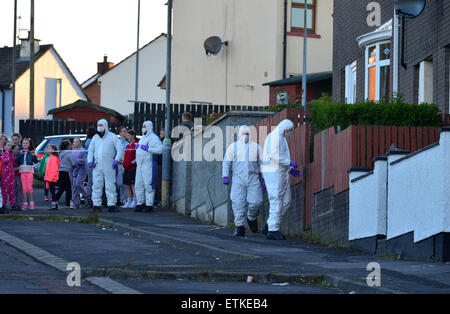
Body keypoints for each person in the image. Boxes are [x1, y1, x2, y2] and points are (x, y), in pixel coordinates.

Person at [261, 119, 301, 240]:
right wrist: (289, 163)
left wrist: (289, 169)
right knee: (276, 200)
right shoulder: (274, 137)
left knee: (286, 201)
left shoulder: (280, 138)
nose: (289, 133)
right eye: (289, 131)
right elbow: (273, 156)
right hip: (274, 174)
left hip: (281, 173)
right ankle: (273, 230)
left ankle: (270, 224)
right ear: (285, 129)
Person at [223, 125, 264, 237]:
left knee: (257, 201)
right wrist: (225, 175)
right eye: (243, 133)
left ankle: (251, 217)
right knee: (237, 202)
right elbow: (226, 161)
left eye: (247, 133)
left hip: (253, 177)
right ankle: (240, 226)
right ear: (239, 135)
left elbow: (264, 164)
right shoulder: (233, 147)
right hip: (238, 178)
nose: (246, 136)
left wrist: (266, 179)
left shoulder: (256, 147)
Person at [87, 119, 124, 213]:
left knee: (110, 184)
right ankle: (96, 205)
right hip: (97, 165)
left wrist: (116, 160)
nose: (99, 127)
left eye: (101, 125)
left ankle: (112, 204)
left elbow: (120, 148)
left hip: (109, 165)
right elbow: (91, 150)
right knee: (96, 185)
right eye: (98, 125)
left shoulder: (112, 136)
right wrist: (90, 161)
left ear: (105, 126)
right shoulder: (95, 137)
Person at [134, 121, 163, 213]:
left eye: (145, 126)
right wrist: (138, 147)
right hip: (140, 165)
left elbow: (160, 150)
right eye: (143, 126)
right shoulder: (143, 138)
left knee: (148, 184)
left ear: (149, 127)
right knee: (138, 185)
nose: (143, 128)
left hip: (149, 164)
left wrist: (148, 149)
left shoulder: (154, 138)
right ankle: (140, 203)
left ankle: (149, 204)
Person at [15, 138, 38, 211]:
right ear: (22, 144)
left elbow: (35, 161)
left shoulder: (31, 152)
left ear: (29, 144)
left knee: (30, 188)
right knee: (24, 189)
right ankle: (25, 204)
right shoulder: (20, 152)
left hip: (29, 171)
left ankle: (32, 203)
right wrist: (20, 155)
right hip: (22, 171)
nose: (25, 144)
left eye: (26, 143)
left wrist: (34, 155)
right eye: (24, 143)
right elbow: (16, 161)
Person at [56, 140, 76, 208]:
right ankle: (68, 203)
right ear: (68, 146)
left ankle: (55, 200)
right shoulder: (70, 154)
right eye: (70, 144)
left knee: (61, 188)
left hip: (61, 171)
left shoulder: (61, 154)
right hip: (67, 172)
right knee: (68, 188)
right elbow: (74, 163)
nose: (71, 145)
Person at [122, 130, 138, 209]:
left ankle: (134, 200)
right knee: (127, 185)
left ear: (133, 136)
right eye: (127, 136)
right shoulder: (127, 146)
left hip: (133, 168)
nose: (127, 137)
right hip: (126, 168)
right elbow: (125, 157)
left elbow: (137, 157)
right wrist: (124, 163)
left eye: (128, 135)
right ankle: (129, 200)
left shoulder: (136, 145)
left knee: (133, 185)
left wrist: (132, 162)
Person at [71, 137, 88, 209]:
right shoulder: (71, 151)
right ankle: (76, 204)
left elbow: (85, 160)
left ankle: (87, 197)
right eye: (74, 142)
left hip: (82, 170)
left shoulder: (83, 150)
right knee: (74, 187)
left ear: (80, 143)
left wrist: (76, 161)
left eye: (77, 141)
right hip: (74, 170)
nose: (76, 143)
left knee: (78, 183)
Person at [1, 142, 16, 211]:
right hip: (5, 176)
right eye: (8, 145)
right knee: (5, 191)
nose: (9, 147)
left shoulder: (11, 154)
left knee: (12, 191)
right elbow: (5, 160)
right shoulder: (3, 154)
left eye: (10, 145)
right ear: (4, 147)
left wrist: (12, 154)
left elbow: (14, 162)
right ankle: (4, 205)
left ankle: (13, 204)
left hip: (11, 176)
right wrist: (7, 152)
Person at [44, 145, 60, 211]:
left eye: (49, 148)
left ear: (53, 150)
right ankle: (55, 203)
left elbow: (54, 169)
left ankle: (54, 204)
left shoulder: (53, 158)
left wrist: (51, 177)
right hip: (50, 177)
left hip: (52, 178)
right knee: (52, 191)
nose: (47, 149)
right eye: (47, 148)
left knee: (52, 191)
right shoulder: (51, 157)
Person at [84, 126, 97, 208]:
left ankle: (89, 197)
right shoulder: (90, 141)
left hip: (89, 161)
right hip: (91, 161)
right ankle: (89, 198)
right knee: (91, 180)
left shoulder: (87, 141)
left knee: (90, 180)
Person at [116, 126, 128, 205]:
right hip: (118, 164)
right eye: (123, 131)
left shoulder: (127, 143)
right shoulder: (117, 142)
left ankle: (123, 199)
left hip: (125, 165)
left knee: (124, 183)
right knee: (118, 182)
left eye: (125, 131)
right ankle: (116, 198)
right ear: (120, 133)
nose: (125, 133)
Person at [12, 145, 23, 211]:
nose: (16, 151)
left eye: (18, 149)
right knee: (13, 191)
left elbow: (21, 165)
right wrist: (16, 168)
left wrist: (16, 168)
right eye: (15, 149)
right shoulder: (11, 156)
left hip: (19, 175)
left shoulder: (20, 157)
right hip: (12, 176)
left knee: (19, 190)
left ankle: (19, 205)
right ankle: (13, 205)